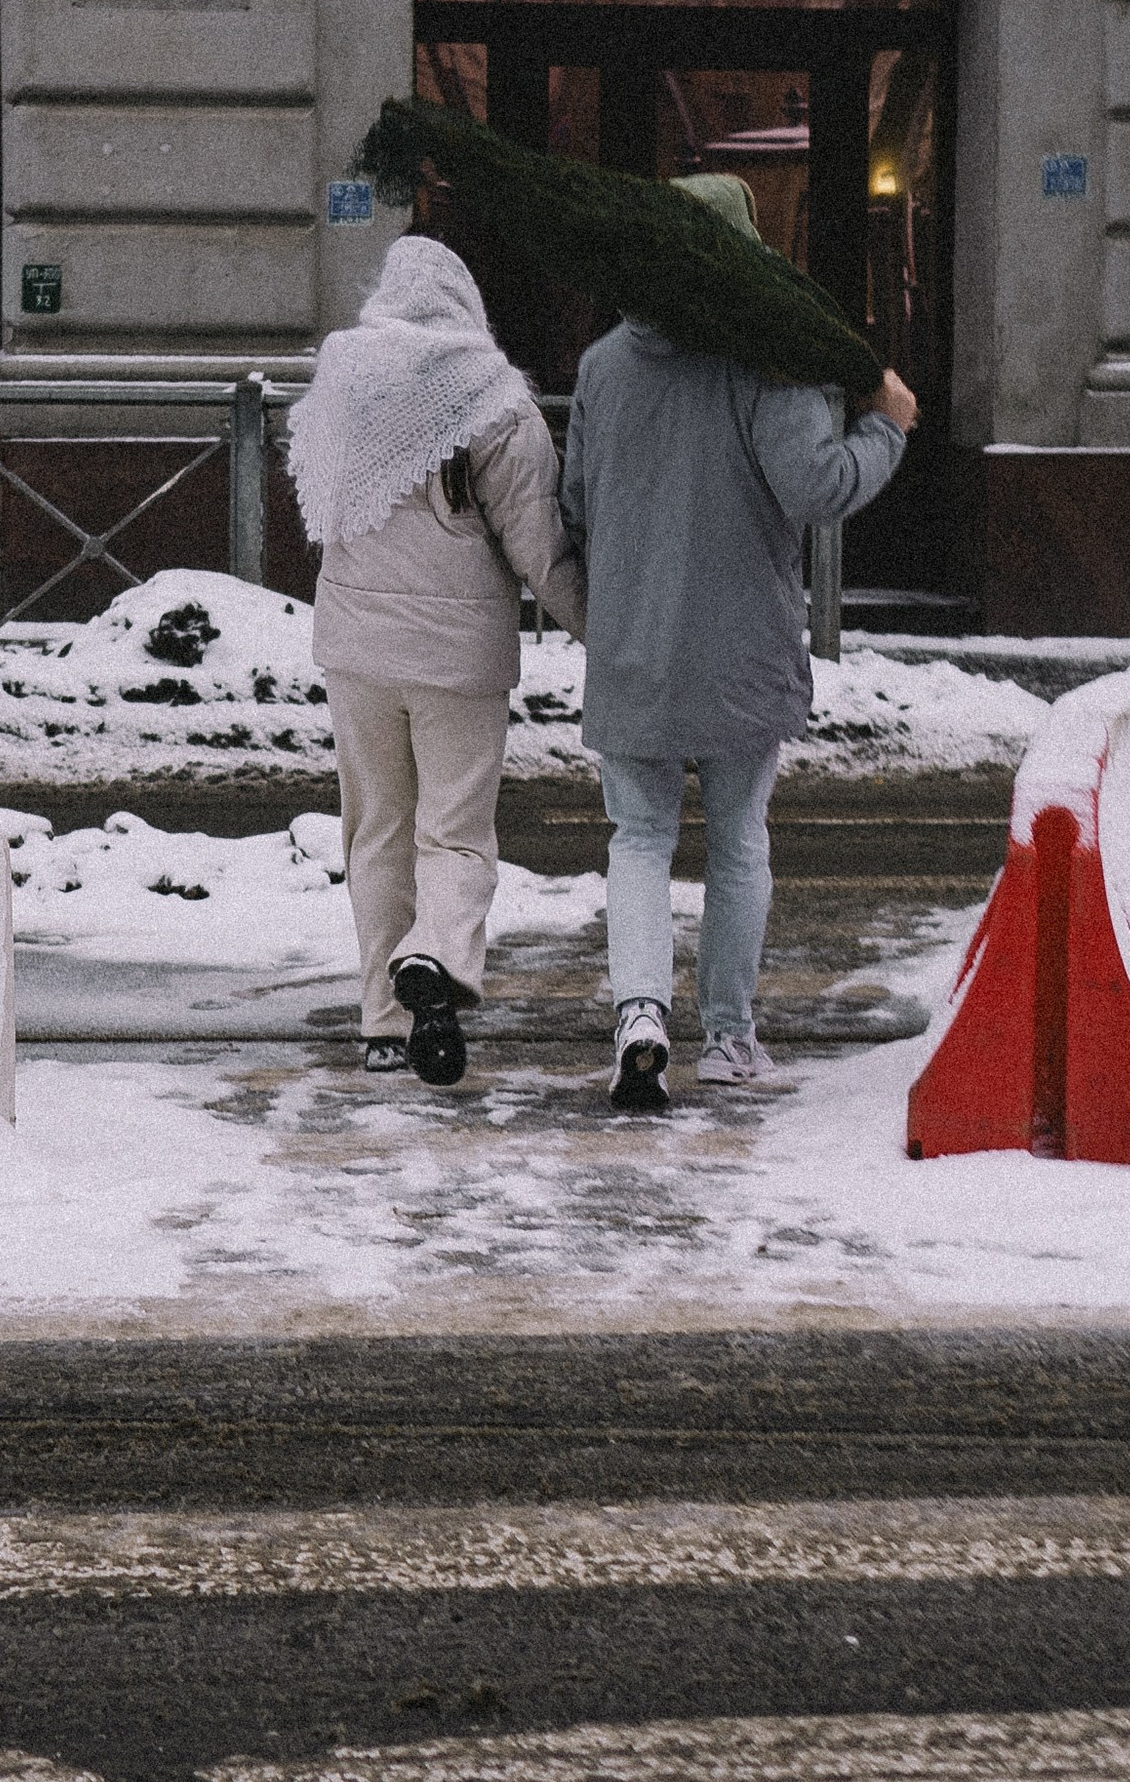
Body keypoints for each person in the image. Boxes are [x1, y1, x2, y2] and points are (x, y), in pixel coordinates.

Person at [559, 171, 916, 1112]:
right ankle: (728, 1036)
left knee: (639, 839)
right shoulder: (768, 362)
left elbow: (576, 508)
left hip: (633, 643)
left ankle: (641, 1016)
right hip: (742, 647)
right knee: (738, 842)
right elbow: (818, 487)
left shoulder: (603, 366)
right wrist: (886, 428)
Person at [287, 232, 586, 1085]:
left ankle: (384, 1023)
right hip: (459, 657)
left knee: (376, 829)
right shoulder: (493, 396)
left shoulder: (342, 380)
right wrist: (604, 633)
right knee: (453, 831)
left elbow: (320, 507)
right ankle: (437, 958)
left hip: (356, 649)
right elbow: (540, 547)